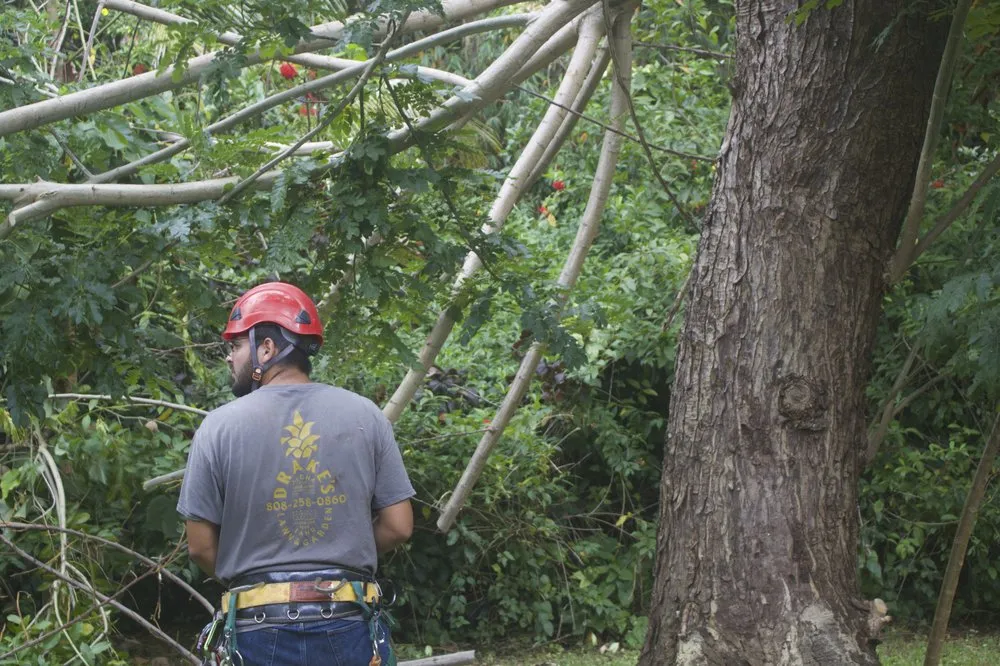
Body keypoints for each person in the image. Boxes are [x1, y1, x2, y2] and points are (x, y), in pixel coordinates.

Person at [177, 282, 415, 666]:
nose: (229, 357)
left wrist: (255, 573)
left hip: (256, 630)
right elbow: (400, 526)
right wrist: (344, 551)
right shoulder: (366, 415)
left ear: (267, 349)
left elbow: (200, 547)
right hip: (348, 621)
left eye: (236, 345)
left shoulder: (218, 427)